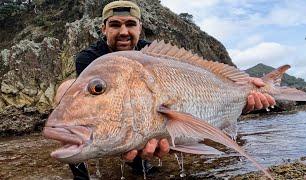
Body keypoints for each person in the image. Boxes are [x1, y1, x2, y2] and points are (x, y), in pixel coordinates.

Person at [71, 1, 276, 179]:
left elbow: (201, 73)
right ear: (103, 29)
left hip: (168, 109)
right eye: (115, 25)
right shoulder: (89, 58)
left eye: (130, 24)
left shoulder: (155, 56)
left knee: (153, 141)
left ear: (140, 28)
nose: (124, 32)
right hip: (119, 115)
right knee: (69, 108)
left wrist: (244, 88)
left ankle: (141, 165)